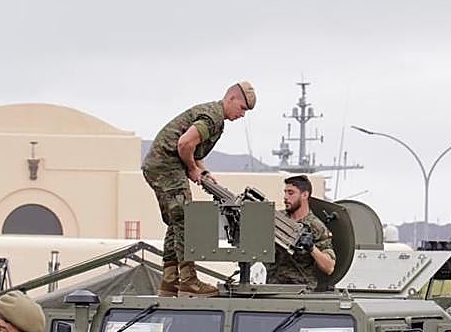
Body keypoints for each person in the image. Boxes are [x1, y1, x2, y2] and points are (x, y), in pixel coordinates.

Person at [142, 83, 256, 298]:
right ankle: (189, 281)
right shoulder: (212, 118)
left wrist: (202, 172)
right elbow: (185, 144)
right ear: (230, 98)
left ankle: (169, 282)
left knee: (177, 222)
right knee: (186, 219)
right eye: (241, 108)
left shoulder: (216, 119)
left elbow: (193, 149)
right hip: (167, 166)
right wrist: (193, 169)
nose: (242, 114)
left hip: (160, 166)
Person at [267, 175, 336, 286]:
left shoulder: (316, 227)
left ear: (304, 195)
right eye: (285, 192)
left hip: (301, 292)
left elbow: (329, 267)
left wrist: (311, 247)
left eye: (291, 193)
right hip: (273, 289)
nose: (285, 197)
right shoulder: (277, 219)